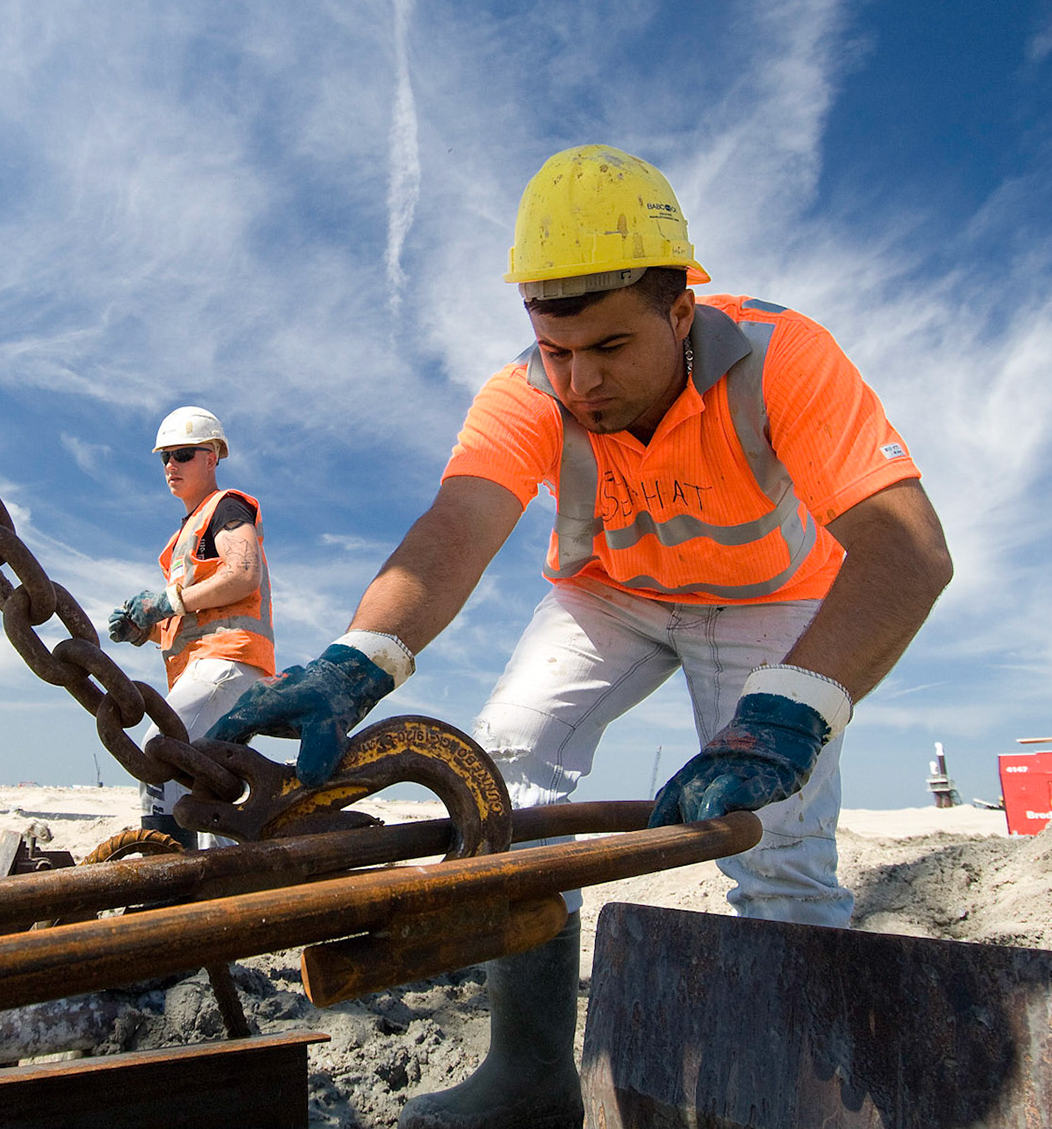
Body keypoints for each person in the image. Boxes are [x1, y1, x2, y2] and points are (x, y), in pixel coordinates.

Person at [208, 145, 953, 1129]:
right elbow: (455, 528)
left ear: (681, 312)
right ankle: (529, 1080)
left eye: (607, 348)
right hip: (610, 598)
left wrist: (796, 707)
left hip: (767, 602)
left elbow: (910, 555)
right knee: (506, 768)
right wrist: (361, 657)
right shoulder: (526, 393)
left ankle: (806, 1099)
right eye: (556, 351)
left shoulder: (785, 359)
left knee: (777, 845)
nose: (578, 380)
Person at [108, 406, 276, 847]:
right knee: (199, 790)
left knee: (160, 753)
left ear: (212, 457)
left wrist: (169, 598)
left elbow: (243, 573)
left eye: (182, 454)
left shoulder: (226, 508)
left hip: (229, 660)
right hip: (211, 664)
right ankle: (221, 881)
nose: (170, 466)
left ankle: (162, 878)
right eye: (164, 457)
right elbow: (193, 614)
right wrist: (146, 627)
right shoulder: (184, 535)